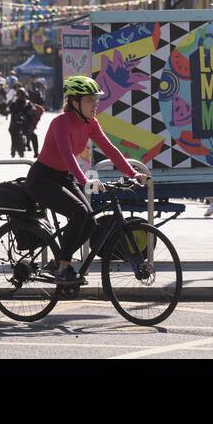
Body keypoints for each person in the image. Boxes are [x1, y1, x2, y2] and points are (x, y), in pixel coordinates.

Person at [27, 76, 149, 288]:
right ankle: (63, 268)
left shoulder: (91, 123)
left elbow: (110, 149)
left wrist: (132, 173)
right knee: (80, 213)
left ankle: (58, 261)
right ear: (75, 103)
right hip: (42, 179)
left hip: (63, 177)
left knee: (90, 221)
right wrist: (86, 181)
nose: (95, 105)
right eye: (90, 101)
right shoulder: (60, 123)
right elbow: (68, 156)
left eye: (96, 100)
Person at [7, 90, 32, 159]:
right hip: (15, 124)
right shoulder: (14, 103)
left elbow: (32, 110)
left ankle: (29, 145)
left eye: (22, 95)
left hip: (24, 124)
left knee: (32, 134)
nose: (21, 97)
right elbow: (9, 108)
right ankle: (13, 148)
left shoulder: (27, 103)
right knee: (13, 133)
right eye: (19, 95)